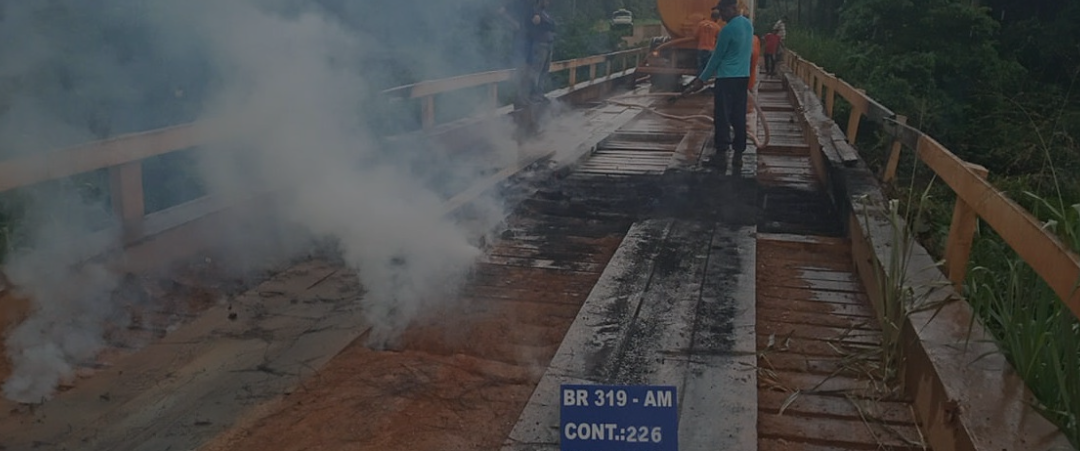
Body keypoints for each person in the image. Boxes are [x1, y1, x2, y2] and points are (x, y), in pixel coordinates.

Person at [687, 0, 753, 168]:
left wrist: (701, 79)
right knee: (739, 115)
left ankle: (722, 152)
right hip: (742, 78)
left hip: (726, 79)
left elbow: (716, 58)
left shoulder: (727, 30)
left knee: (722, 116)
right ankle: (739, 153)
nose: (721, 15)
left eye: (723, 10)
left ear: (732, 8)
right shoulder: (748, 25)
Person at [500, 0, 537, 109]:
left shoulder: (531, 4)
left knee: (529, 69)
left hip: (530, 39)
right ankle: (518, 98)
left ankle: (524, 97)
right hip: (520, 40)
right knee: (521, 68)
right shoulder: (515, 2)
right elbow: (501, 11)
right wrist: (514, 23)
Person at [526, 0, 556, 104]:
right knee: (536, 71)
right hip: (540, 45)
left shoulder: (545, 13)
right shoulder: (535, 11)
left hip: (548, 44)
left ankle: (540, 94)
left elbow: (552, 26)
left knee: (544, 71)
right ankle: (533, 95)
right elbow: (535, 22)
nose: (548, 2)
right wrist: (537, 19)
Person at [695, 10, 722, 74]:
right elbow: (719, 40)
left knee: (700, 67)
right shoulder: (717, 27)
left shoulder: (701, 24)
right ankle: (706, 81)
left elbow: (695, 36)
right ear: (717, 18)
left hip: (701, 48)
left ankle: (700, 81)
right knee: (708, 68)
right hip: (710, 50)